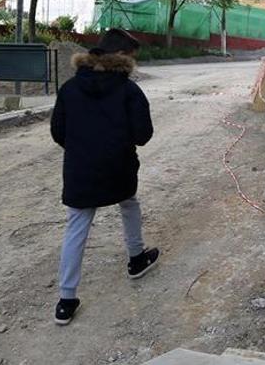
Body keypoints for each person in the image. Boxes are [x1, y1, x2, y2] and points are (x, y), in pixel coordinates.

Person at [50, 28, 158, 325]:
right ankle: (136, 259)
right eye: (133, 58)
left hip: (80, 170)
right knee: (129, 203)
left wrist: (83, 149)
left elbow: (58, 132)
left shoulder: (70, 88)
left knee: (77, 227)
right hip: (118, 167)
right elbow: (143, 135)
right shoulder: (129, 90)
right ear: (121, 56)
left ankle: (66, 300)